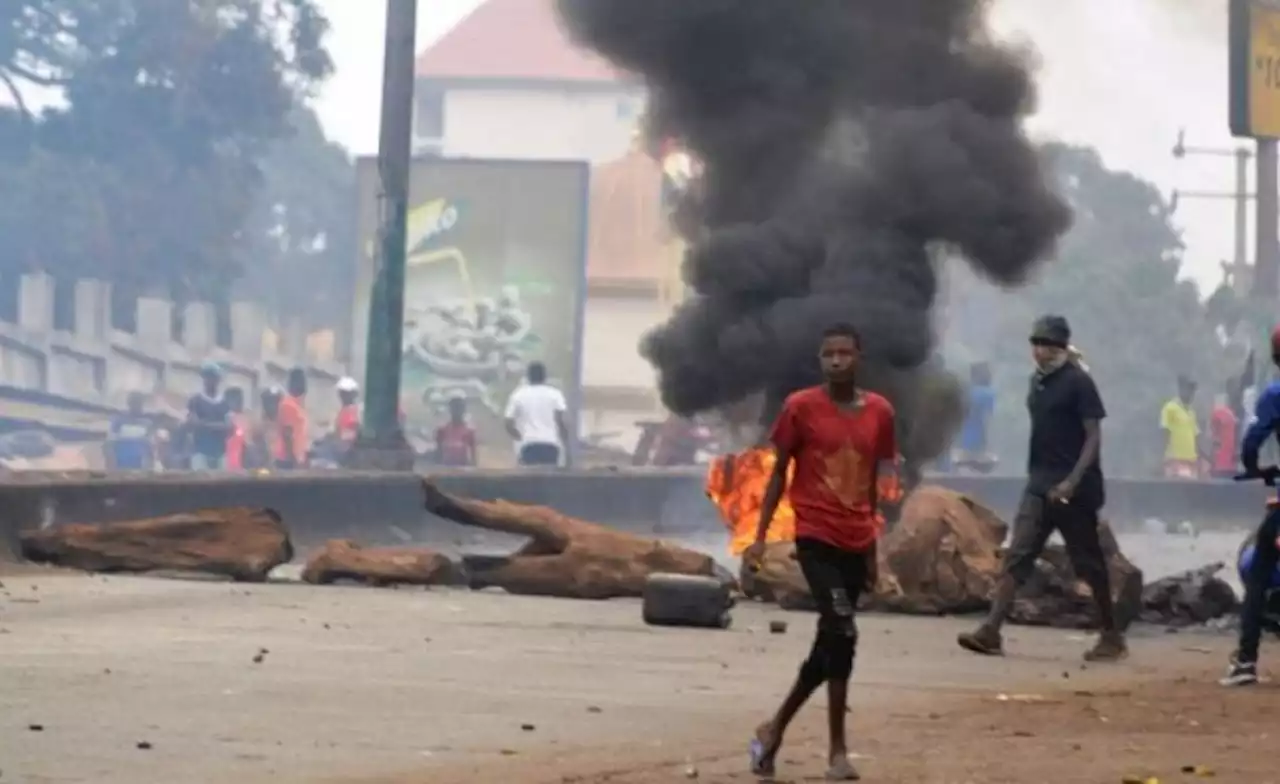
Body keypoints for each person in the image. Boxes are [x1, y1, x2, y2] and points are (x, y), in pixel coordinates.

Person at [743, 322, 897, 781]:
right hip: (815, 535)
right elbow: (777, 474)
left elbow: (871, 479)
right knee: (843, 629)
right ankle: (837, 751)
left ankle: (772, 730)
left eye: (844, 353)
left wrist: (871, 546)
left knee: (829, 644)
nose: (835, 361)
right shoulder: (800, 407)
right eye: (827, 354)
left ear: (859, 357)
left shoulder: (880, 413)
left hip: (854, 536)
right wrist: (760, 534)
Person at [957, 315, 1126, 661]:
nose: (1040, 352)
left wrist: (1073, 481)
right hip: (1039, 485)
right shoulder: (1037, 383)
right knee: (1017, 555)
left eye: (1047, 346)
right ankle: (991, 630)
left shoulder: (1079, 383)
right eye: (1036, 345)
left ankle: (1111, 636)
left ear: (1062, 347)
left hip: (1074, 490)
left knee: (1088, 563)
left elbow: (1093, 437)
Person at [1222, 327, 1280, 687]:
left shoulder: (1274, 394)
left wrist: (1253, 468)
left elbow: (1252, 441)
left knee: (1258, 570)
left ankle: (1245, 661)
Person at [504, 361, 569, 466]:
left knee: (529, 479)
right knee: (549, 479)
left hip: (528, 445)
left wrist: (519, 437)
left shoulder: (518, 394)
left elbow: (508, 423)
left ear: (528, 376)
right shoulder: (555, 394)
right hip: (551, 444)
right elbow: (561, 421)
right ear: (545, 377)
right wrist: (565, 442)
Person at [186, 362, 232, 470]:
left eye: (214, 378)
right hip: (200, 451)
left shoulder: (225, 403)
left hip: (220, 453)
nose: (210, 381)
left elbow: (229, 426)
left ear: (218, 380)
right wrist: (217, 426)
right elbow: (191, 423)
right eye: (207, 377)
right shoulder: (195, 400)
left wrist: (205, 425)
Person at [955, 362, 996, 472]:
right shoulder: (988, 393)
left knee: (963, 471)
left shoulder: (967, 392)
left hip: (963, 440)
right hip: (979, 442)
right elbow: (988, 419)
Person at [1160, 376, 1201, 479]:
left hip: (1191, 461)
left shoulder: (1191, 412)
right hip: (1175, 460)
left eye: (1193, 391)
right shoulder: (1170, 408)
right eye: (1189, 389)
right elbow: (1165, 432)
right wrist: (1163, 456)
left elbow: (1195, 437)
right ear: (1181, 389)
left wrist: (1201, 459)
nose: (1191, 394)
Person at [104, 391, 155, 470]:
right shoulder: (119, 421)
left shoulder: (147, 423)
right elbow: (109, 444)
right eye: (134, 403)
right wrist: (111, 464)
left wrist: (150, 466)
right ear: (129, 404)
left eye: (138, 403)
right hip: (120, 464)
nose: (136, 406)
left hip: (141, 465)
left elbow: (150, 448)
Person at [278, 368, 309, 469]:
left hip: (298, 460)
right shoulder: (288, 404)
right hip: (289, 461)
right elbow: (287, 434)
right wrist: (293, 460)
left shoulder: (299, 406)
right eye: (299, 381)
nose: (302, 385)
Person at [435, 395, 477, 467]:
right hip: (446, 471)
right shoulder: (442, 431)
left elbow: (473, 457)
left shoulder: (469, 431)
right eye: (454, 408)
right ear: (450, 410)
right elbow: (438, 456)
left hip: (463, 471)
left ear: (463, 410)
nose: (457, 411)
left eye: (459, 408)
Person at [1210, 386, 1240, 479]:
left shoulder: (1232, 414)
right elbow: (1213, 435)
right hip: (1220, 463)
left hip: (1230, 463)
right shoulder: (1218, 412)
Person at [224, 387, 248, 470]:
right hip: (231, 457)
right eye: (233, 398)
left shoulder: (244, 417)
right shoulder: (228, 416)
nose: (238, 402)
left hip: (244, 457)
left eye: (240, 398)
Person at [334, 376, 362, 446]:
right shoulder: (342, 411)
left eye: (346, 393)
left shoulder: (358, 411)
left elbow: (356, 431)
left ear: (353, 394)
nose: (343, 396)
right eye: (342, 393)